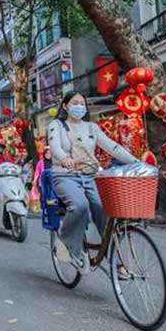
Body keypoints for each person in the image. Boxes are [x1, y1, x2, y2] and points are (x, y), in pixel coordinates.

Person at [48, 91, 139, 273]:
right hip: (65, 175)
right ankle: (66, 243)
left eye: (83, 103)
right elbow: (55, 147)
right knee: (80, 206)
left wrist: (136, 162)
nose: (80, 106)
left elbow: (112, 146)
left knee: (104, 208)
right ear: (66, 106)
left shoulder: (92, 127)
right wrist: (65, 158)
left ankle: (116, 257)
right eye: (75, 103)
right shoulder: (56, 125)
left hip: (91, 176)